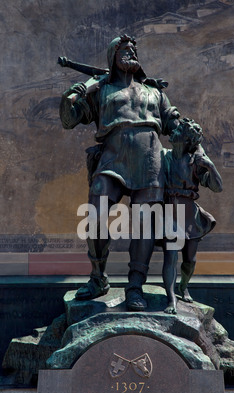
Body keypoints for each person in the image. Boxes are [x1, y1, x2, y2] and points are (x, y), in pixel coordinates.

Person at [59, 34, 180, 310]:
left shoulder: (155, 92)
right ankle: (98, 277)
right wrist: (76, 92)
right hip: (113, 159)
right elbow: (70, 120)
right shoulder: (101, 90)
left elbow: (175, 124)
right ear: (112, 57)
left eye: (133, 49)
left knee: (144, 222)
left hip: (150, 160)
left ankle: (135, 287)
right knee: (97, 211)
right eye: (123, 49)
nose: (130, 52)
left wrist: (187, 132)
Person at [161, 118, 223, 314]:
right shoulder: (164, 156)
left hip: (190, 214)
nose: (173, 132)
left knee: (190, 260)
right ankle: (171, 299)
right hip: (170, 213)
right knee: (171, 258)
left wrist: (211, 166)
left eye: (178, 130)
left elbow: (218, 187)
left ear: (186, 139)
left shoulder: (195, 161)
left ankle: (183, 286)